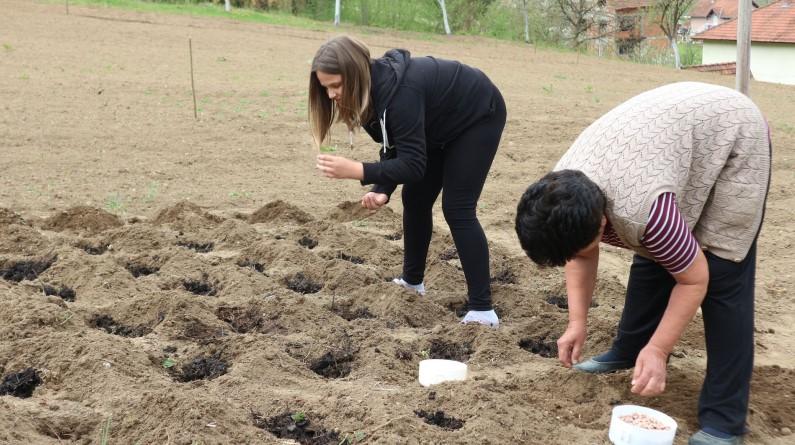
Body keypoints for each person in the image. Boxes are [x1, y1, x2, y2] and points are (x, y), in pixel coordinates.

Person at [514, 82, 771, 445]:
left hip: (733, 132)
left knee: (722, 270)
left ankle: (724, 419)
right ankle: (629, 350)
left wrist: (660, 349)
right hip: (663, 142)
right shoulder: (562, 189)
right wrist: (577, 322)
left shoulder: (648, 213)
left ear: (601, 223)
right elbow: (582, 252)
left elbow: (694, 280)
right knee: (655, 251)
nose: (577, 255)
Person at [308, 36, 506, 327]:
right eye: (325, 87)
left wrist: (358, 170)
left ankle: (482, 309)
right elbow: (395, 145)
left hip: (477, 115)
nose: (331, 95)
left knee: (458, 208)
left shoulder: (402, 93)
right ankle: (413, 282)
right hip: (438, 125)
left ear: (356, 75)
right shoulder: (367, 96)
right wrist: (382, 190)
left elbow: (413, 165)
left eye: (335, 85)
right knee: (415, 199)